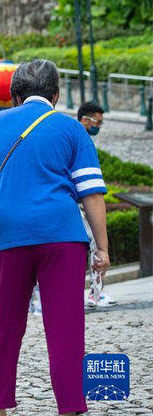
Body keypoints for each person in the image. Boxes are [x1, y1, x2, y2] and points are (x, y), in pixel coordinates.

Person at [0, 59, 110, 416]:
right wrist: (102, 249)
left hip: (6, 234)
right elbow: (91, 193)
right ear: (56, 95)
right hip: (61, 235)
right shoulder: (72, 128)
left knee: (5, 325)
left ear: (15, 95)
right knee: (65, 328)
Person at [77, 102, 116, 309]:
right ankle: (96, 293)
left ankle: (95, 292)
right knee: (96, 248)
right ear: (85, 120)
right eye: (97, 122)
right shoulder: (81, 140)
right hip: (80, 205)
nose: (98, 126)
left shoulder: (76, 138)